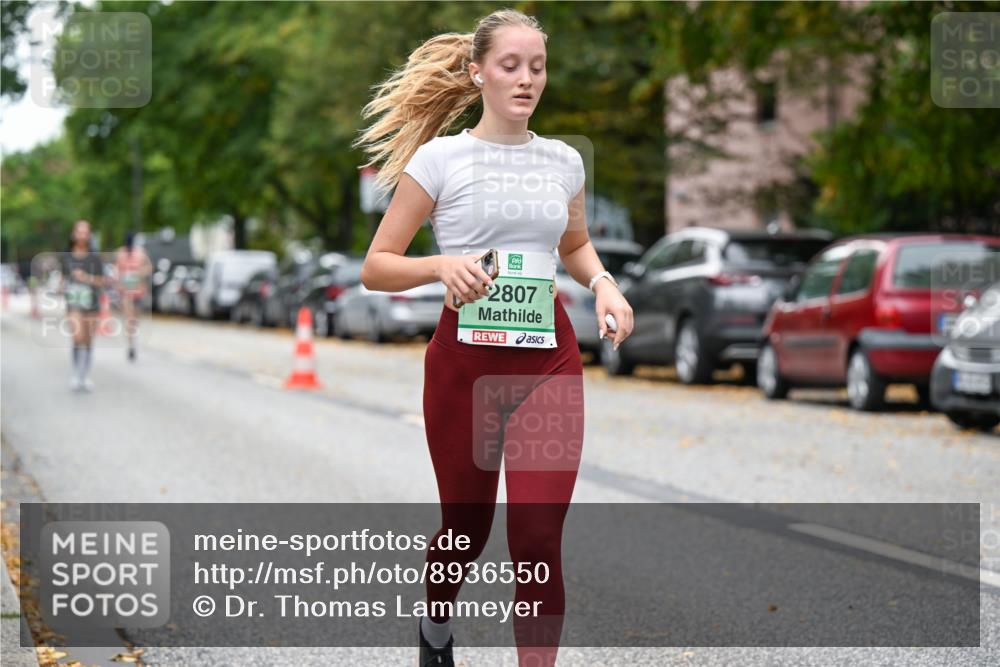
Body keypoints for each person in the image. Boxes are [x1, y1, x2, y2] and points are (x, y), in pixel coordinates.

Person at [354, 9, 633, 667]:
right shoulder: (441, 159)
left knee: (538, 535)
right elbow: (376, 265)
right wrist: (438, 265)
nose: (527, 78)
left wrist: (604, 285)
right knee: (466, 528)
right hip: (464, 367)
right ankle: (436, 628)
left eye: (537, 66)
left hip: (549, 360)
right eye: (511, 65)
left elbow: (576, 245)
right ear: (478, 72)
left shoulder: (562, 162)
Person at [61, 220, 106, 391]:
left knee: (88, 340)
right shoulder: (66, 257)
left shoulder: (95, 258)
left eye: (85, 232)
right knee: (77, 337)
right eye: (79, 232)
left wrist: (86, 278)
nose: (82, 235)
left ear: (89, 235)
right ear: (73, 234)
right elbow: (63, 279)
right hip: (74, 302)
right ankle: (76, 374)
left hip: (92, 302)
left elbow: (102, 281)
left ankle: (84, 376)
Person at [114, 231, 152, 361]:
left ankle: (133, 340)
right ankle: (131, 345)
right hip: (126, 292)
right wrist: (119, 284)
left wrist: (140, 273)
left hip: (139, 291)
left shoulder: (141, 253)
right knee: (129, 320)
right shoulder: (120, 253)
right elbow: (116, 271)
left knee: (135, 320)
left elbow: (149, 267)